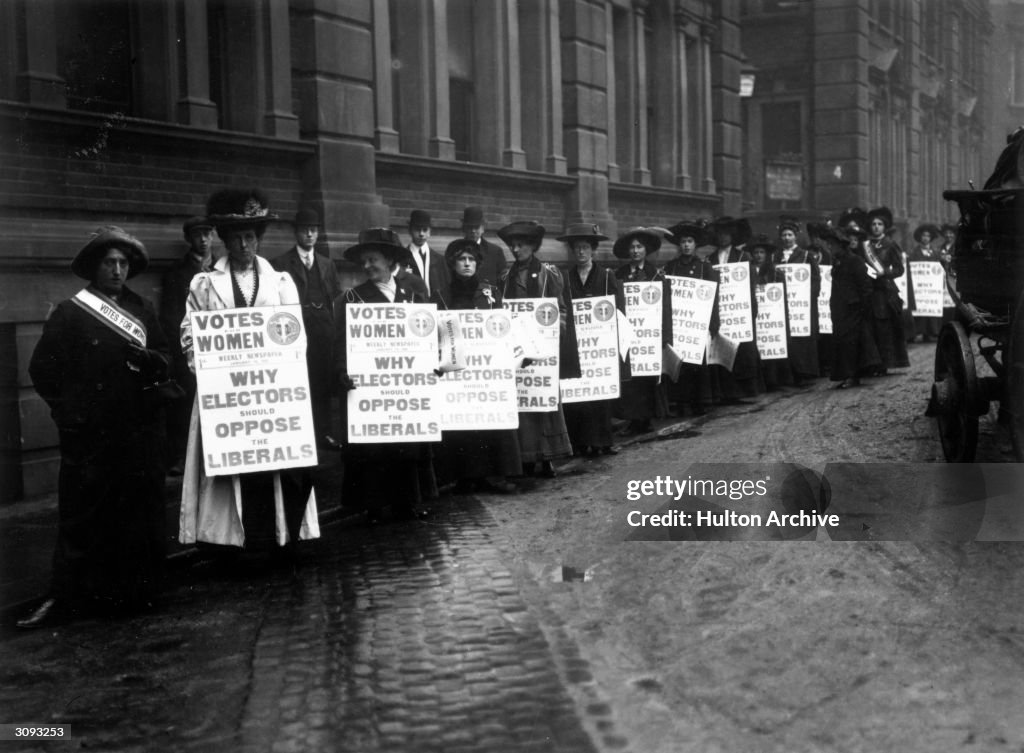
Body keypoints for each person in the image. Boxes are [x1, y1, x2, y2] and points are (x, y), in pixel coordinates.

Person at [21, 227, 169, 628]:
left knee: (135, 513)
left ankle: (134, 594)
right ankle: (69, 598)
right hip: (92, 434)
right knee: (83, 517)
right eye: (109, 263)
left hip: (136, 431)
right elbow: (42, 369)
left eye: (123, 263)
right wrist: (70, 415)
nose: (117, 270)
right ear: (94, 267)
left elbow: (166, 356)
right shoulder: (72, 312)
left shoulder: (142, 309)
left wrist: (152, 359)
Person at [179, 189, 319, 557]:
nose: (245, 244)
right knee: (233, 470)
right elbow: (190, 333)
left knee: (275, 467)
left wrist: (284, 369)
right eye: (238, 237)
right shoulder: (205, 285)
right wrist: (208, 369)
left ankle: (278, 537)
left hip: (269, 394)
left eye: (252, 236)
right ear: (224, 240)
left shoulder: (280, 283)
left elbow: (294, 334)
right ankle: (235, 544)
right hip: (229, 397)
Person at [334, 228, 432, 522]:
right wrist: (342, 370)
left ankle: (407, 502)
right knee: (373, 449)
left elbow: (426, 342)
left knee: (406, 444)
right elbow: (340, 343)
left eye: (372, 260)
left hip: (402, 390)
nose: (367, 267)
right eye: (363, 261)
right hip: (369, 390)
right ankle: (373, 505)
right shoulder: (353, 299)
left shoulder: (412, 298)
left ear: (390, 261)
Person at [431, 238, 520, 493]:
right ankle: (465, 476)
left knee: (489, 420)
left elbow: (504, 327)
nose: (467, 264)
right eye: (462, 259)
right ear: (453, 264)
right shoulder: (441, 296)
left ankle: (494, 475)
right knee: (462, 424)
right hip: (457, 372)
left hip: (486, 370)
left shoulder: (490, 294)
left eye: (471, 259)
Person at [498, 220, 575, 477]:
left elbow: (561, 309)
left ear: (532, 246)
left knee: (545, 403)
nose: (515, 250)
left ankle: (548, 457)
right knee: (524, 402)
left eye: (520, 245)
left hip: (543, 350)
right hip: (519, 351)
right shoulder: (505, 278)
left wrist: (555, 333)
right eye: (512, 246)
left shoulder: (549, 274)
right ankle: (527, 457)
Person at [271, 207, 341, 447]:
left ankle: (323, 433)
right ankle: (300, 434)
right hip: (296, 333)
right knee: (298, 383)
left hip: (323, 333)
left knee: (322, 384)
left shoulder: (327, 264)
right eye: (305, 230)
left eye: (314, 230)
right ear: (296, 233)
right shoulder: (280, 263)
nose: (310, 234)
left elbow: (336, 298)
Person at [558, 222, 622, 456]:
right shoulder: (565, 277)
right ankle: (580, 442)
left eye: (585, 248)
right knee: (579, 392)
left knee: (600, 393)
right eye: (577, 248)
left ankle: (602, 441)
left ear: (593, 250)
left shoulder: (606, 276)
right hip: (576, 344)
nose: (581, 252)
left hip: (600, 345)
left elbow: (617, 310)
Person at [161, 216, 216, 475]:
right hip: (190, 351)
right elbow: (171, 317)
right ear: (189, 239)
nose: (203, 240)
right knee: (186, 405)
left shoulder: (222, 269)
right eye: (197, 235)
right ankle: (185, 457)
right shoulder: (176, 273)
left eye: (207, 234)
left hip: (221, 348)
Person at [613, 226, 669, 433]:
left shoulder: (655, 275)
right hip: (628, 334)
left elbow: (665, 307)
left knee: (647, 377)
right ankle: (633, 418)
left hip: (649, 336)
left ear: (646, 250)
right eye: (632, 247)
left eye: (639, 247)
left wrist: (664, 336)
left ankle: (646, 418)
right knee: (631, 378)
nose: (635, 251)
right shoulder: (619, 275)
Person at [662, 220, 718, 416]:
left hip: (697, 325)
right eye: (683, 241)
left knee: (697, 364)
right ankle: (681, 402)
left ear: (696, 245)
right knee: (681, 364)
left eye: (690, 241)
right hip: (679, 324)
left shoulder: (704, 268)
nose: (686, 245)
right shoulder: (671, 267)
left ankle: (700, 402)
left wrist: (713, 325)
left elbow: (713, 298)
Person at [706, 216, 764, 403]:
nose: (723, 237)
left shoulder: (742, 257)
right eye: (720, 234)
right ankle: (723, 391)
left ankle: (740, 391)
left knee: (740, 351)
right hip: (719, 311)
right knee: (721, 349)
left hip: (738, 312)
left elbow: (750, 286)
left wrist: (751, 311)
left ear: (732, 235)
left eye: (727, 234)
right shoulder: (710, 259)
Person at [826, 226, 882, 388]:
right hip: (840, 309)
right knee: (842, 343)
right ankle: (845, 375)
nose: (830, 248)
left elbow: (865, 286)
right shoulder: (838, 262)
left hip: (853, 308)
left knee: (851, 343)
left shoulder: (854, 260)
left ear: (840, 245)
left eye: (832, 245)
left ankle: (852, 376)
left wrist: (862, 307)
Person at [862, 206, 910, 373]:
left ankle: (884, 363)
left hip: (884, 291)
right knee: (869, 327)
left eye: (879, 224)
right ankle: (871, 363)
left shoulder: (890, 244)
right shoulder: (865, 245)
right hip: (867, 290)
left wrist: (885, 273)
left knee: (883, 328)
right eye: (873, 224)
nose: (876, 227)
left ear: (885, 226)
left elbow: (899, 269)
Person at [776, 215, 820, 385]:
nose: (786, 238)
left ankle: (804, 373)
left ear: (795, 237)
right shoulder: (776, 256)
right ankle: (788, 374)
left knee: (801, 338)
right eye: (784, 235)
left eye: (790, 235)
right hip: (783, 304)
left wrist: (809, 298)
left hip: (801, 305)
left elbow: (815, 279)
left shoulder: (805, 255)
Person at [907, 222, 943, 342]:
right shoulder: (913, 253)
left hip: (932, 286)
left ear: (931, 238)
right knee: (920, 307)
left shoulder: (936, 253)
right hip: (919, 287)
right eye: (923, 236)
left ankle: (932, 331)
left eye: (928, 236)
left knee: (931, 306)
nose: (925, 238)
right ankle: (919, 331)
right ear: (920, 238)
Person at [406, 209, 449, 298]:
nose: (421, 234)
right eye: (417, 230)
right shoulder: (403, 258)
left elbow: (445, 288)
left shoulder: (439, 260)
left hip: (435, 306)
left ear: (430, 232)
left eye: (425, 230)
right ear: (410, 230)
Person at [461, 206, 508, 285]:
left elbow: (502, 282)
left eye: (476, 227)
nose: (473, 231)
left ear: (483, 228)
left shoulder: (495, 252)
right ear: (464, 229)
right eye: (469, 227)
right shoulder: (455, 250)